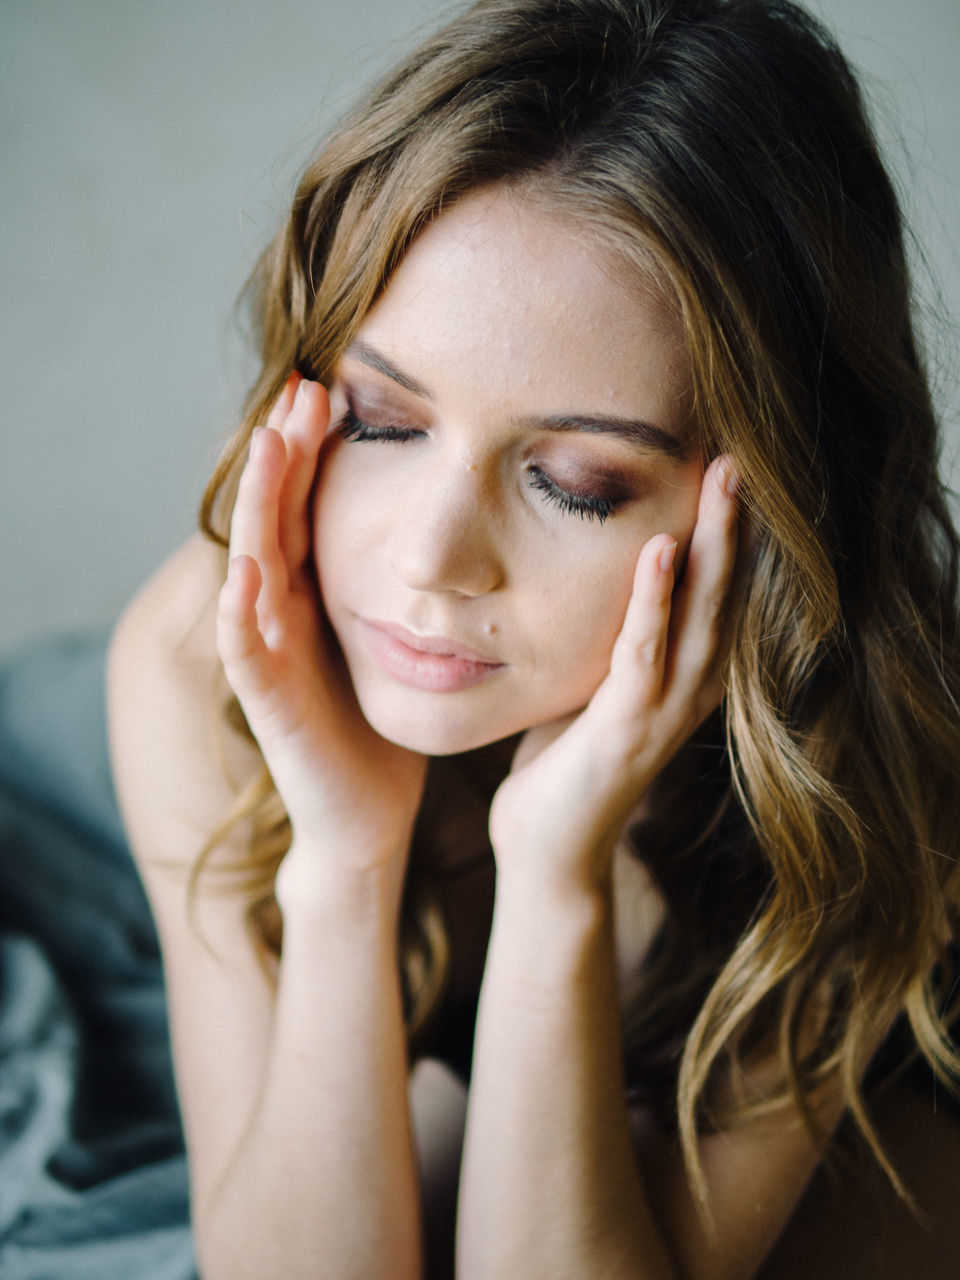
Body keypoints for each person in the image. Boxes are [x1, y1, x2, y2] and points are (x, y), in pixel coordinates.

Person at [106, 0, 960, 1276]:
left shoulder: (865, 745)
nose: (428, 559)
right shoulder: (202, 647)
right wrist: (344, 859)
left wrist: (554, 873)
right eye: (380, 422)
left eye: (574, 482)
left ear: (769, 514)